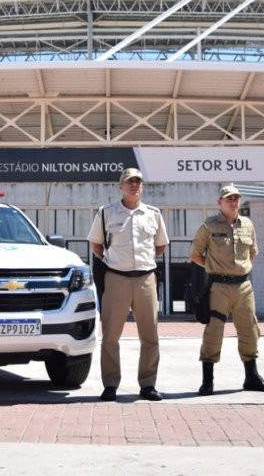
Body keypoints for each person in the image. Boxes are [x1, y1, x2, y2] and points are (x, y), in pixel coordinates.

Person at [87, 167, 168, 402]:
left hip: (145, 279)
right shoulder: (106, 213)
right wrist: (113, 262)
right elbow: (96, 245)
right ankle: (111, 384)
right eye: (129, 181)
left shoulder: (153, 214)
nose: (134, 185)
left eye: (138, 182)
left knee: (150, 335)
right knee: (111, 335)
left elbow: (160, 245)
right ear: (120, 186)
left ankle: (148, 384)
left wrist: (145, 260)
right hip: (117, 279)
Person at [189, 184, 264, 396]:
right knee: (214, 332)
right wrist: (214, 268)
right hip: (218, 287)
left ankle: (252, 377)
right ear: (220, 202)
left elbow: (252, 253)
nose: (233, 201)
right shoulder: (209, 226)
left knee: (249, 330)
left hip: (244, 287)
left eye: (235, 198)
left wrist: (238, 270)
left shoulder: (247, 225)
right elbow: (195, 254)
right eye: (228, 198)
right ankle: (207, 381)